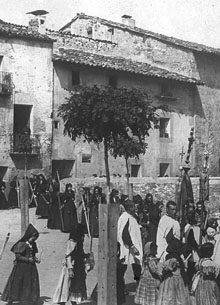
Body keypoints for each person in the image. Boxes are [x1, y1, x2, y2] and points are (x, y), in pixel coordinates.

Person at [1, 224, 40, 305]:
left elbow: (33, 254)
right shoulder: (21, 244)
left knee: (29, 282)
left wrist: (35, 259)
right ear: (29, 236)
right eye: (33, 238)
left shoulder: (33, 244)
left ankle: (28, 299)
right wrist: (28, 259)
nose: (34, 240)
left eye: (35, 238)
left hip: (31, 267)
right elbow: (18, 257)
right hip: (21, 268)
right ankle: (13, 298)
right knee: (18, 282)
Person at [53, 224, 90, 305]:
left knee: (76, 284)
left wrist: (87, 255)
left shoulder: (79, 242)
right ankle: (63, 301)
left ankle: (74, 301)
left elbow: (81, 253)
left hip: (79, 266)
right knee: (67, 285)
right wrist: (70, 268)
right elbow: (68, 256)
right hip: (73, 266)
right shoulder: (72, 242)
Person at [156, 236, 191, 305]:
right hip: (179, 278)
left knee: (170, 296)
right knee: (179, 295)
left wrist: (161, 276)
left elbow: (166, 268)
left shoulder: (171, 258)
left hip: (170, 279)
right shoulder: (178, 258)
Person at [117, 200, 143, 286]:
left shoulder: (131, 217)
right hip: (128, 247)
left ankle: (138, 284)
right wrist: (132, 246)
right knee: (122, 268)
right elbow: (125, 234)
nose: (135, 208)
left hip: (132, 247)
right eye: (133, 206)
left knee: (137, 266)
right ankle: (119, 288)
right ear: (129, 208)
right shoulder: (125, 218)